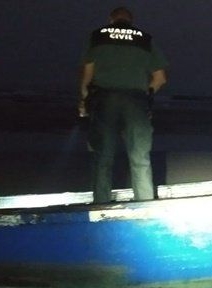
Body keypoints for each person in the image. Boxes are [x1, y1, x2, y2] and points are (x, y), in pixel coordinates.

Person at [78, 7, 168, 203]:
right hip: (136, 102)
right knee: (140, 159)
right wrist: (147, 94)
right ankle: (144, 204)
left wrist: (84, 102)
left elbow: (87, 75)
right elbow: (160, 78)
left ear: (111, 20)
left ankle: (101, 204)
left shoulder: (98, 36)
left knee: (102, 158)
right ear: (131, 21)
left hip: (104, 101)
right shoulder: (145, 39)